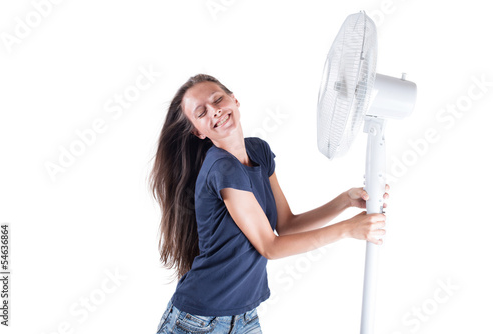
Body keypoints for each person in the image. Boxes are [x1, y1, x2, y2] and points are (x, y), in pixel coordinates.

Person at [149, 74, 389, 334]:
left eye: (218, 99)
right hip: (199, 321)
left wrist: (346, 201)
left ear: (235, 100)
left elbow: (286, 225)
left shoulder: (259, 152)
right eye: (201, 112)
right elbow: (270, 246)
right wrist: (347, 229)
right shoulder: (222, 167)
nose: (215, 111)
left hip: (244, 317)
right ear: (198, 131)